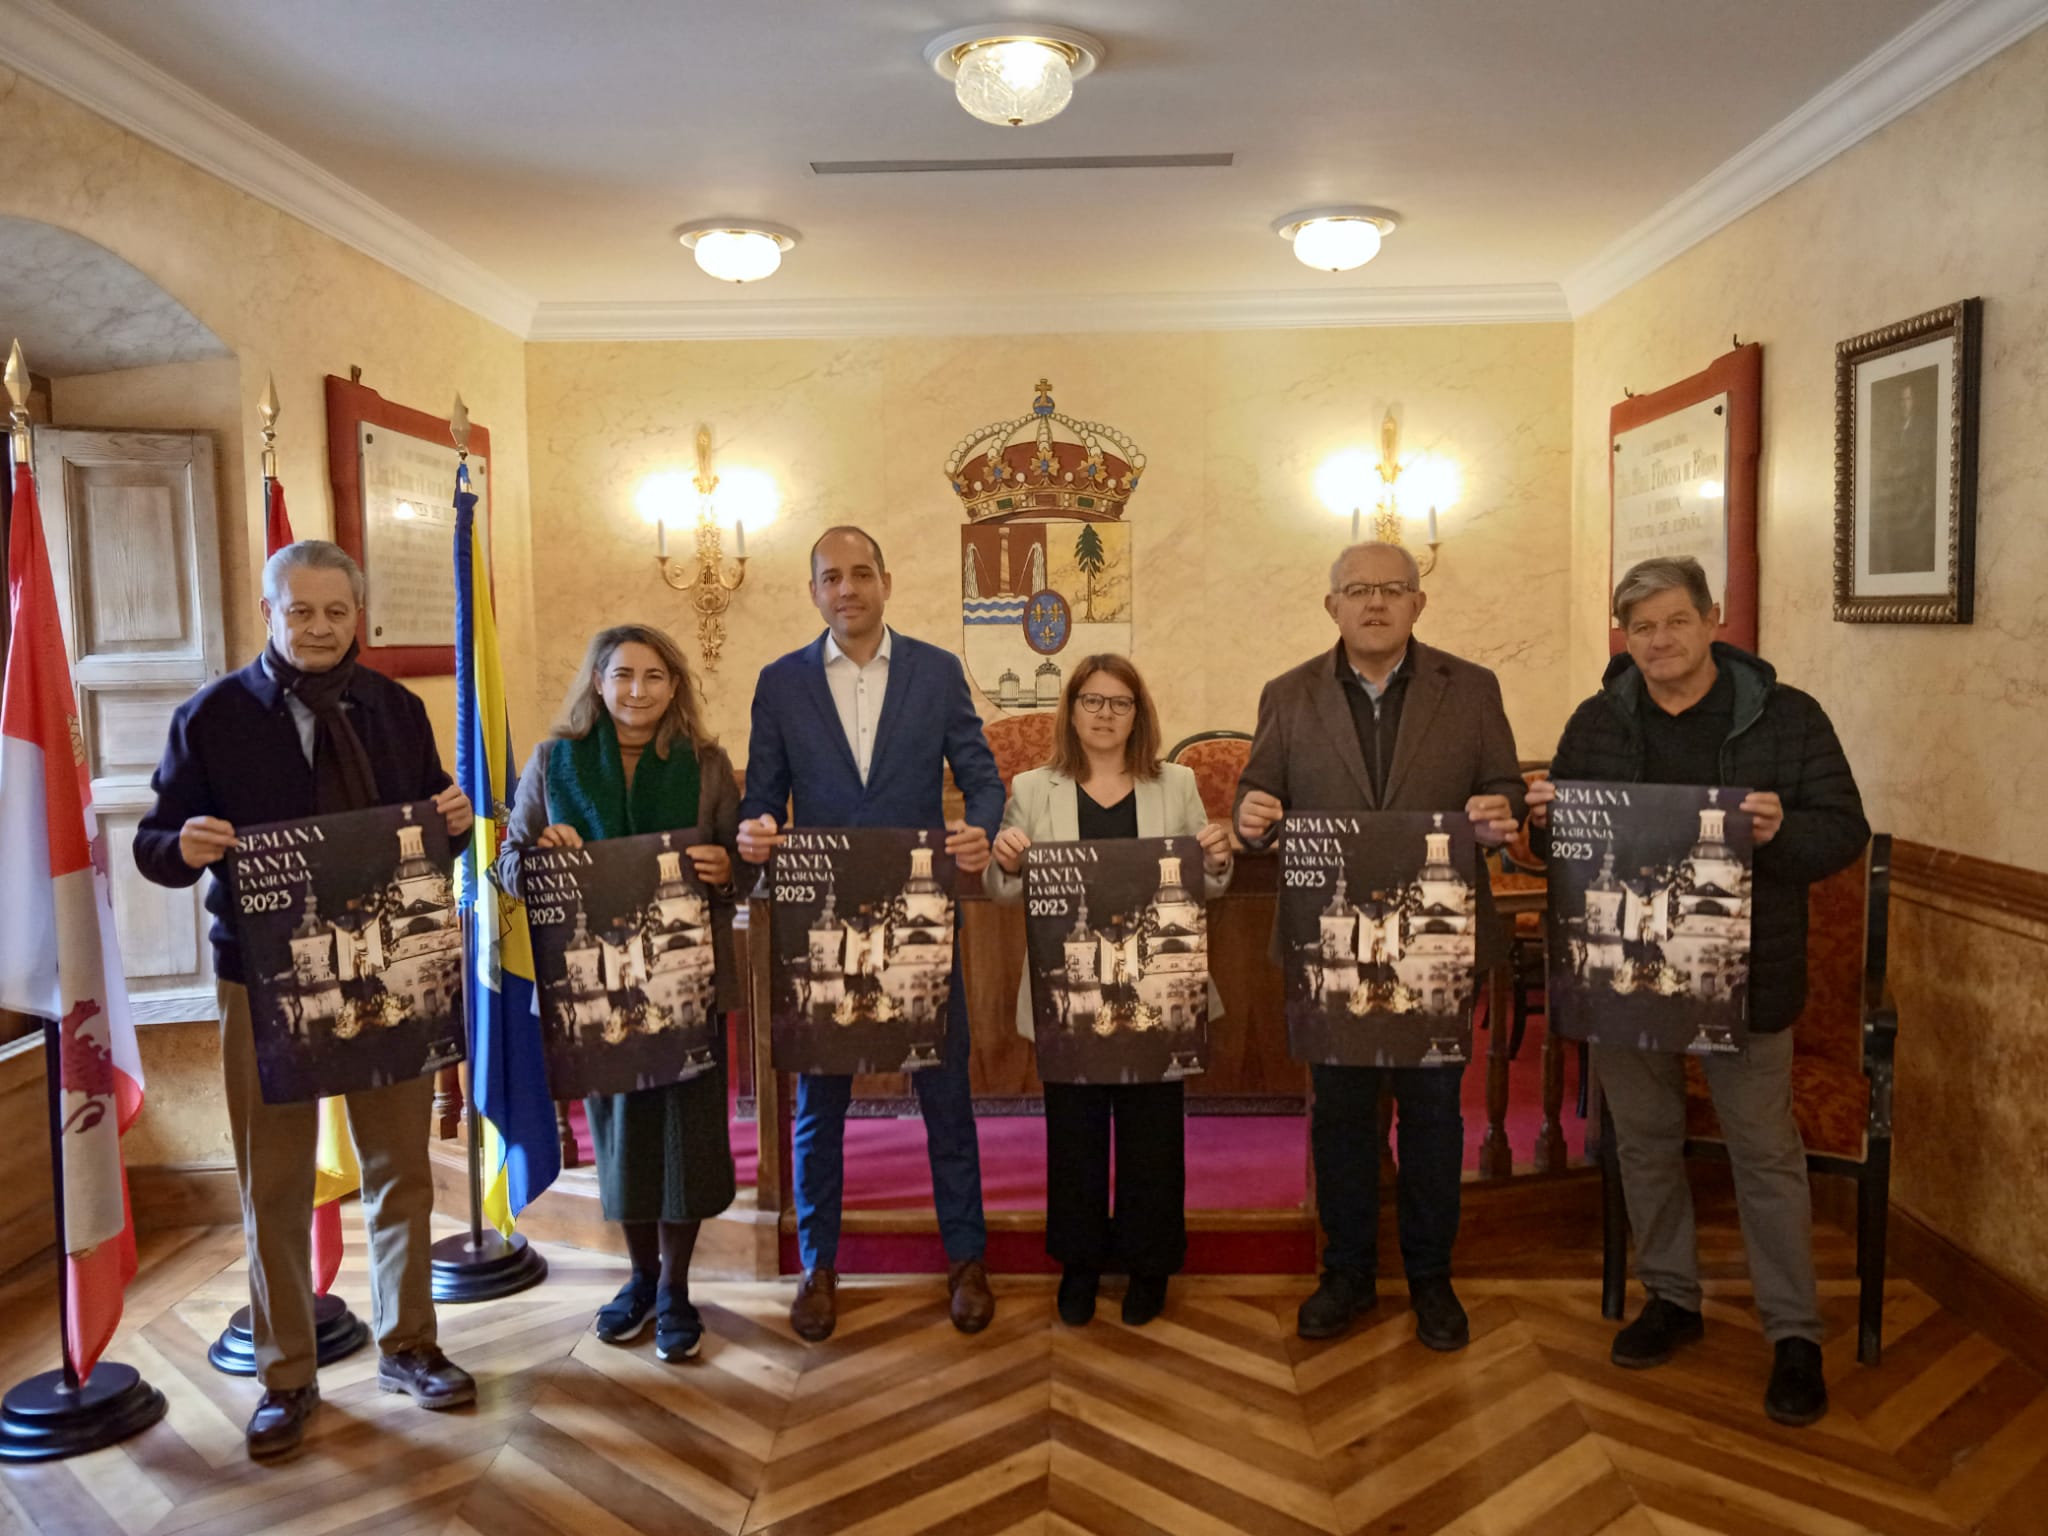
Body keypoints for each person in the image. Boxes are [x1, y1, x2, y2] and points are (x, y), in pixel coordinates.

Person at [133, 540, 477, 1459]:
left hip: (391, 977)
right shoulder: (210, 717)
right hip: (262, 981)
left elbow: (428, 837)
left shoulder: (397, 710)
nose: (319, 629)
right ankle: (286, 1375)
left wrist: (454, 824)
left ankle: (410, 1347)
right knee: (275, 1181)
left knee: (399, 1167)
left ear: (357, 617)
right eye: (301, 613)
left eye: (335, 612)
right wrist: (187, 846)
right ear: (270, 613)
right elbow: (154, 845)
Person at [1526, 555, 1868, 1427]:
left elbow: (1842, 832)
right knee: (1643, 1142)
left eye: (1675, 621)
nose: (1659, 641)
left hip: (1746, 979)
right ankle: (1671, 1298)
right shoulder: (1597, 720)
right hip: (1626, 973)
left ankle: (1794, 1335)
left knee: (1766, 1158)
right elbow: (1562, 849)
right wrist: (1538, 824)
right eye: (1640, 627)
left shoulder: (1787, 718)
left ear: (1714, 619)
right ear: (1624, 637)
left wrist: (1784, 828)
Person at [1234, 541, 1524, 1351]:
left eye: (1392, 590)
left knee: (1434, 1116)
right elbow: (1258, 794)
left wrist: (1499, 810)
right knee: (1344, 1118)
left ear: (1418, 605)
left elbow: (1504, 789)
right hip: (1334, 951)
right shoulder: (1287, 695)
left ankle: (1432, 1280)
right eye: (1357, 590)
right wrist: (1252, 810)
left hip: (1438, 943)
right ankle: (1347, 1274)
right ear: (1331, 605)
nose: (1374, 603)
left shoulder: (1471, 689)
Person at [737, 526, 1001, 1341]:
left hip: (922, 912)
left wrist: (980, 830)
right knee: (820, 1104)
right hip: (821, 921)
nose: (846, 589)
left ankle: (967, 1259)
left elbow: (983, 780)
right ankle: (819, 1266)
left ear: (886, 580)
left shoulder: (936, 670)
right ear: (813, 591)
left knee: (945, 1094)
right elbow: (763, 796)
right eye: (830, 578)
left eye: (860, 574)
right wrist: (754, 829)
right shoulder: (780, 684)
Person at [493, 624, 740, 1363]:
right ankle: (637, 1278)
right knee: (623, 1139)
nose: (638, 690)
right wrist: (537, 855)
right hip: (597, 991)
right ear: (597, 682)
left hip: (689, 981)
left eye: (655, 677)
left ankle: (677, 1290)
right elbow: (505, 868)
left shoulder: (708, 766)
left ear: (675, 686)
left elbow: (746, 867)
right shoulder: (552, 763)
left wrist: (727, 867)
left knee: (687, 1140)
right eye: (623, 675)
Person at [986, 655, 1232, 1327]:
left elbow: (1206, 887)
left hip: (1159, 988)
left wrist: (1215, 858)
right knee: (1077, 1135)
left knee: (1154, 1136)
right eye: (1091, 701)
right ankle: (1081, 1264)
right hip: (1071, 993)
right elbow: (1007, 892)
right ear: (1071, 711)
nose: (1103, 713)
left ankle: (1149, 1267)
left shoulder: (1175, 783)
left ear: (1138, 715)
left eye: (1119, 703)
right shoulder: (1033, 789)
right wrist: (1004, 861)